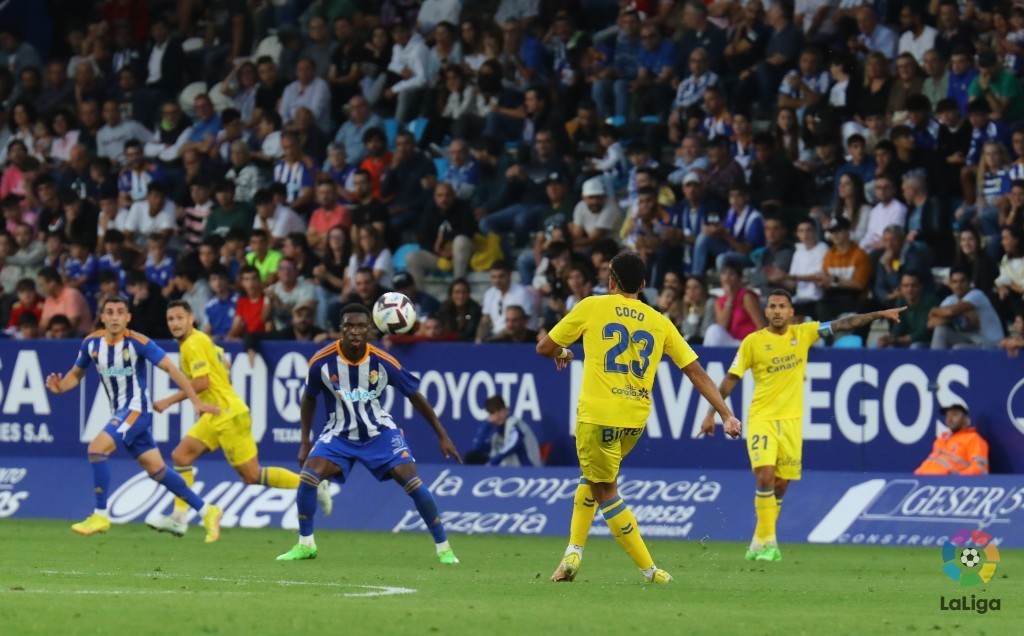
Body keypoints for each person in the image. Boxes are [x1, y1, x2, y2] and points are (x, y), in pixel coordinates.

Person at [538, 251, 742, 584]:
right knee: (592, 477)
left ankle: (650, 571)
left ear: (610, 281)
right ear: (644, 284)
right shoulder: (659, 321)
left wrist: (563, 352)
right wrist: (726, 413)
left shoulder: (592, 306)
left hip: (598, 417)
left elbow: (544, 347)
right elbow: (694, 370)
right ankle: (572, 554)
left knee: (606, 491)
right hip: (634, 421)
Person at [701, 290, 906, 562]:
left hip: (792, 423)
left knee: (781, 485)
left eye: (781, 306)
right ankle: (770, 543)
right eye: (772, 306)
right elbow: (729, 379)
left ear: (790, 312)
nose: (776, 311)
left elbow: (844, 324)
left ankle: (758, 540)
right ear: (766, 311)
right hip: (762, 419)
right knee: (764, 475)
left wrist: (879, 314)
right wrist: (711, 413)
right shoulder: (753, 342)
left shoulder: (804, 333)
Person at [276, 304, 462, 564]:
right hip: (338, 434)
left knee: (412, 482)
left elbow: (415, 397)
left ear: (369, 329)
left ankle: (444, 548)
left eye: (361, 326)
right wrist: (304, 441)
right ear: (340, 329)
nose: (355, 331)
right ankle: (306, 544)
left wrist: (442, 435)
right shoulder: (322, 360)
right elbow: (309, 399)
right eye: (349, 326)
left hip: (379, 433)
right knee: (307, 477)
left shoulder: (384, 361)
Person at [145, 301, 332, 536]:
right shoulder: (201, 339)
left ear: (191, 319)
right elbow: (225, 361)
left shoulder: (192, 344)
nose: (175, 323)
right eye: (171, 319)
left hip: (229, 415)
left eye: (180, 318)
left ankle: (312, 483)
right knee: (181, 455)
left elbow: (202, 382)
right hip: (216, 414)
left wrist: (167, 401)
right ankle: (179, 518)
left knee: (252, 476)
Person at [43, 296, 223, 540]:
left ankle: (100, 515)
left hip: (137, 410)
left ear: (128, 317)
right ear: (102, 316)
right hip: (121, 412)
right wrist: (61, 387)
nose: (115, 317)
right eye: (110, 312)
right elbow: (76, 374)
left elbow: (171, 369)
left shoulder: (137, 342)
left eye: (120, 312)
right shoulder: (91, 343)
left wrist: (196, 401)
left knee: (97, 449)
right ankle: (207, 510)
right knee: (157, 470)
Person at [928, 266, 1005, 349]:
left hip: (991, 344)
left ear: (969, 282)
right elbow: (930, 323)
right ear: (950, 284)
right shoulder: (950, 300)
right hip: (971, 339)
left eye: (962, 281)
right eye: (955, 282)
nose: (958, 285)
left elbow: (951, 312)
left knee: (958, 348)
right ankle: (937, 361)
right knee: (941, 330)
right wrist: (953, 319)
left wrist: (934, 310)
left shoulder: (977, 294)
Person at [914, 403, 989, 475]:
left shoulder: (974, 439)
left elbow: (980, 469)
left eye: (954, 414)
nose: (949, 419)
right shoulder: (940, 440)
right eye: (947, 416)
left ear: (966, 418)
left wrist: (955, 480)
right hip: (921, 481)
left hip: (946, 484)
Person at [468, 395, 542, 467]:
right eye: (493, 413)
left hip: (528, 471)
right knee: (470, 457)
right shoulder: (496, 434)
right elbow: (476, 448)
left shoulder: (514, 424)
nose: (497, 416)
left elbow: (513, 443)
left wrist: (494, 461)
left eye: (499, 411)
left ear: (505, 410)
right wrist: (487, 424)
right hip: (508, 472)